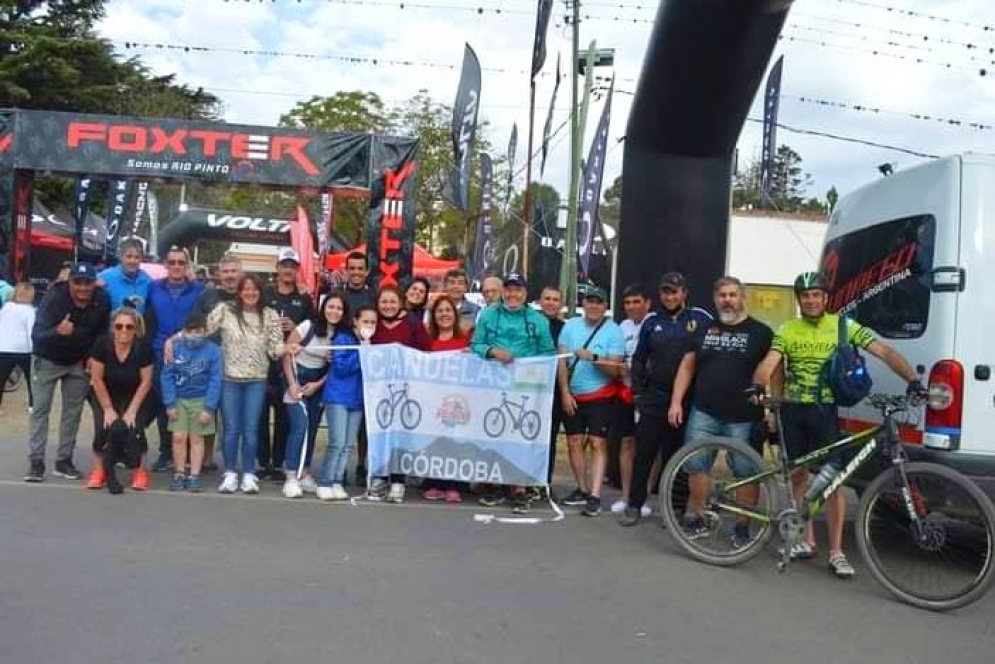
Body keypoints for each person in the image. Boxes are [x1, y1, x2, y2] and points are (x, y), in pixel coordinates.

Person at [751, 271, 923, 578]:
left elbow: (884, 351)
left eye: (816, 295)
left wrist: (912, 379)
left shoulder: (844, 326)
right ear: (799, 300)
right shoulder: (788, 329)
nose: (811, 300)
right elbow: (770, 363)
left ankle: (836, 551)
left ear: (825, 298)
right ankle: (806, 541)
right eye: (805, 296)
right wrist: (758, 386)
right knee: (798, 476)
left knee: (833, 483)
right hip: (793, 412)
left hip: (825, 412)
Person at [645, 277, 774, 539]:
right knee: (696, 466)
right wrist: (676, 402)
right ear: (715, 299)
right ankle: (701, 518)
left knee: (746, 472)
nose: (727, 300)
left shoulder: (761, 332)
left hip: (744, 416)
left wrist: (772, 405)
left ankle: (742, 527)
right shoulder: (703, 330)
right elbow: (687, 367)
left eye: (732, 295)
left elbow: (774, 369)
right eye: (722, 295)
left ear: (742, 297)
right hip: (704, 412)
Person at [621, 272, 712, 525]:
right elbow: (639, 359)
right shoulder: (652, 321)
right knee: (644, 455)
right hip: (654, 399)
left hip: (687, 401)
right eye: (665, 291)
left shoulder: (700, 318)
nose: (669, 296)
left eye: (674, 291)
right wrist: (638, 393)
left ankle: (673, 510)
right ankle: (634, 505)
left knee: (678, 457)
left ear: (684, 293)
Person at [471, 272, 556, 513]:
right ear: (503, 291)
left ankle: (519, 488)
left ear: (525, 293)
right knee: (493, 433)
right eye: (509, 289)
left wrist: (531, 366)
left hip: (525, 386)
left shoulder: (537, 320)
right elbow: (476, 344)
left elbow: (548, 353)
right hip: (492, 385)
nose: (513, 294)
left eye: (518, 289)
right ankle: (494, 484)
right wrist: (493, 352)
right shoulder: (489, 314)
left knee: (520, 435)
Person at [25, 263, 111, 482]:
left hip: (78, 360)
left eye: (87, 282)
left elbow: (102, 333)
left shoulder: (102, 299)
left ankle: (64, 460)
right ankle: (36, 462)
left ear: (94, 283)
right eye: (78, 282)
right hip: (48, 357)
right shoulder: (54, 298)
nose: (83, 288)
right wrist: (57, 331)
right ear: (69, 282)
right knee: (40, 410)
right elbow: (37, 334)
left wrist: (93, 355)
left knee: (72, 413)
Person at [208, 274, 288, 494]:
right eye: (246, 289)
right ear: (239, 291)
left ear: (260, 292)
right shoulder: (225, 310)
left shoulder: (270, 315)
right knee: (231, 429)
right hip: (229, 379)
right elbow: (203, 329)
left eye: (254, 289)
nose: (250, 293)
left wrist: (288, 348)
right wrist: (176, 339)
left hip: (256, 380)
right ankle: (230, 473)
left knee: (251, 429)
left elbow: (275, 348)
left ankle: (250, 473)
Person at [558, 287, 625, 517]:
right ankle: (582, 489)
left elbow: (616, 369)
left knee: (598, 443)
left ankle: (595, 495)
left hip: (601, 395)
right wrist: (564, 392)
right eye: (590, 301)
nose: (594, 306)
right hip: (574, 394)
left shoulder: (614, 331)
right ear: (583, 304)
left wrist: (595, 358)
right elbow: (562, 362)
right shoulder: (570, 326)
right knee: (574, 442)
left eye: (599, 302)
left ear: (605, 306)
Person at [368, 285, 430, 502]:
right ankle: (379, 476)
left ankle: (397, 480)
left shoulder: (413, 323)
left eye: (392, 301)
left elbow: (425, 352)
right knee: (379, 432)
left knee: (400, 435)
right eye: (384, 302)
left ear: (401, 302)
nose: (388, 306)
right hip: (378, 388)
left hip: (406, 388)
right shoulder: (372, 322)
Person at [146, 246, 206, 473]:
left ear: (187, 265)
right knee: (165, 403)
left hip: (189, 351)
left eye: (181, 262)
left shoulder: (199, 289)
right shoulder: (153, 287)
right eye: (172, 262)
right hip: (160, 352)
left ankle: (188, 453)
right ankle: (166, 452)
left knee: (188, 402)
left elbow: (205, 318)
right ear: (166, 265)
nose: (176, 266)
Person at [259, 248, 315, 483]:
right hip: (264, 363)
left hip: (290, 367)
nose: (288, 270)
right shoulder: (265, 294)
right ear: (277, 267)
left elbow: (312, 331)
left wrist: (295, 329)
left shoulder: (304, 299)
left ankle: (279, 462)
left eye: (292, 266)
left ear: (297, 269)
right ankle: (263, 463)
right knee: (260, 416)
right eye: (284, 265)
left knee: (285, 417)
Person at [86, 307, 155, 494]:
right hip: (105, 392)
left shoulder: (143, 347)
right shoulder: (102, 344)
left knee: (135, 426)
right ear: (112, 327)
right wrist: (108, 408)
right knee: (103, 426)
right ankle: (99, 470)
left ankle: (140, 471)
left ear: (136, 329)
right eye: (119, 326)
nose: (123, 330)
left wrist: (132, 411)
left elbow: (146, 381)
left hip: (136, 392)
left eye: (129, 326)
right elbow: (96, 378)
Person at [281, 292, 341, 499]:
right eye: (331, 306)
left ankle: (304, 472)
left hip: (319, 382)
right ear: (323, 308)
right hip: (296, 376)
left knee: (313, 428)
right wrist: (292, 384)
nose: (334, 311)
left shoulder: (342, 335)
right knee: (300, 426)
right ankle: (290, 476)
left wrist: (318, 384)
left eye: (339, 308)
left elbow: (336, 367)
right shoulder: (307, 326)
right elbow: (287, 353)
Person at [317, 304, 375, 501]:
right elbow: (341, 367)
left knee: (348, 445)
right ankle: (324, 482)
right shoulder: (343, 338)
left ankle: (337, 481)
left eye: (373, 322)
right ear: (356, 321)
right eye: (365, 321)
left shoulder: (370, 343)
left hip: (357, 400)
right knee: (337, 443)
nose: (369, 325)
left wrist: (367, 349)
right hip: (338, 397)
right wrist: (362, 352)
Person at [161, 312, 223, 493]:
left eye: (198, 331)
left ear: (205, 331)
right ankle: (179, 473)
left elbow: (215, 380)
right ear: (184, 331)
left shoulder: (214, 351)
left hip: (201, 400)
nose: (194, 334)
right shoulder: (175, 348)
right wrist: (170, 403)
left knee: (197, 438)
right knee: (178, 437)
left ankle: (194, 475)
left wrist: (209, 408)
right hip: (179, 399)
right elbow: (167, 376)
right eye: (190, 331)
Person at [191, 253, 243, 470]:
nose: (230, 275)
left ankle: (232, 462)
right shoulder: (207, 295)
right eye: (226, 271)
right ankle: (206, 458)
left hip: (239, 362)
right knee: (208, 409)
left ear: (241, 273)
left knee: (232, 414)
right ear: (219, 274)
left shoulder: (249, 293)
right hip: (209, 360)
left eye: (233, 271)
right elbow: (195, 323)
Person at [610, 283, 655, 517]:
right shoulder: (622, 326)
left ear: (647, 303)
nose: (631, 307)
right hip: (626, 390)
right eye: (627, 303)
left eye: (637, 302)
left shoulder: (655, 322)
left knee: (649, 446)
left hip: (649, 393)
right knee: (627, 443)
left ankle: (644, 496)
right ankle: (626, 496)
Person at [421, 295, 471, 503]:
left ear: (455, 314)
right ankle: (434, 482)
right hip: (434, 399)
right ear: (434, 316)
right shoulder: (428, 341)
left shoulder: (465, 340)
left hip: (458, 399)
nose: (444, 314)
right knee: (435, 441)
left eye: (448, 310)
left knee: (456, 441)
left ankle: (454, 484)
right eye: (440, 311)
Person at [342, 250, 374, 484]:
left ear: (367, 271)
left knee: (365, 422)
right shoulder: (337, 295)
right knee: (343, 418)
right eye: (351, 268)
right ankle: (341, 465)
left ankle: (361, 465)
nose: (356, 272)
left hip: (368, 363)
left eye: (360, 268)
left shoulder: (374, 296)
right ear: (346, 270)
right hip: (343, 361)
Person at [538, 285, 565, 493]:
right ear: (540, 301)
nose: (551, 303)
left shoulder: (565, 329)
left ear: (561, 304)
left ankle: (544, 483)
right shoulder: (531, 322)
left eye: (555, 299)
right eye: (547, 298)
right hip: (530, 388)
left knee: (550, 438)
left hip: (554, 390)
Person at [0, 282, 36, 416]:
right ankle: (32, 406)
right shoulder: (30, 310)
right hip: (24, 349)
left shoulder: (6, 307)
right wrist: (34, 350)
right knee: (31, 380)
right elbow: (31, 332)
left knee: (1, 379)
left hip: (4, 348)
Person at [97, 238, 152, 313]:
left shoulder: (147, 281)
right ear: (121, 257)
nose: (132, 261)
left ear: (141, 259)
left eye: (137, 257)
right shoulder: (106, 277)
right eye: (129, 256)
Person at [444, 268, 479, 333]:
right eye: (452, 282)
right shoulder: (436, 309)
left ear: (466, 287)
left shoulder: (476, 310)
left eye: (460, 283)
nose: (456, 286)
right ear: (445, 286)